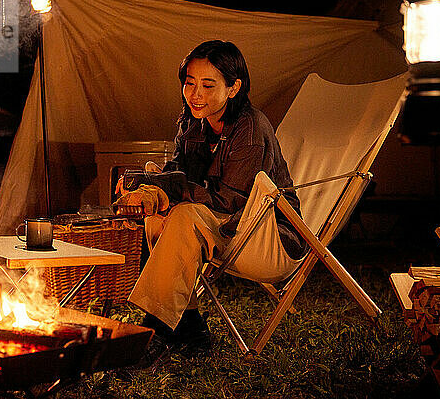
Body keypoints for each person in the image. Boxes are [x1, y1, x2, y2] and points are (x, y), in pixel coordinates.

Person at [114, 40, 309, 348]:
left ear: (233, 88)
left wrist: (167, 187)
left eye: (207, 85)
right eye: (189, 83)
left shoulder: (250, 128)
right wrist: (147, 186)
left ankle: (154, 329)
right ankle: (189, 324)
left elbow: (229, 202)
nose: (195, 94)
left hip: (268, 237)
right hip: (224, 230)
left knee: (185, 214)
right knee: (160, 216)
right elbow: (179, 174)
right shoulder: (195, 122)